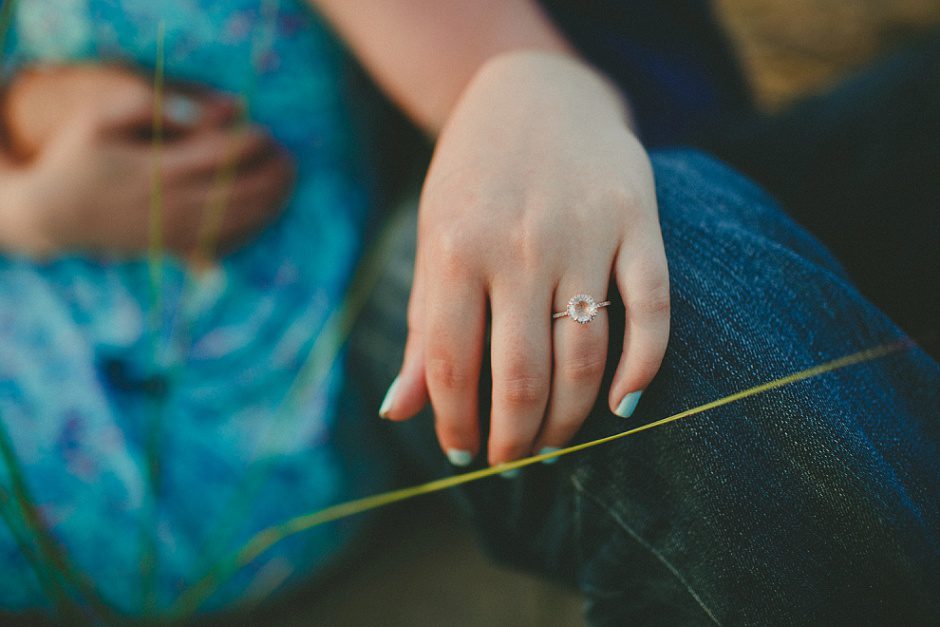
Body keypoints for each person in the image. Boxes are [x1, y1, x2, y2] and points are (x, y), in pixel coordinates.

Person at [0, 1, 937, 625]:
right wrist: (24, 208)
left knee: (650, 295)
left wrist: (530, 91)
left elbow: (504, 75)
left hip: (369, 315)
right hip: (61, 498)